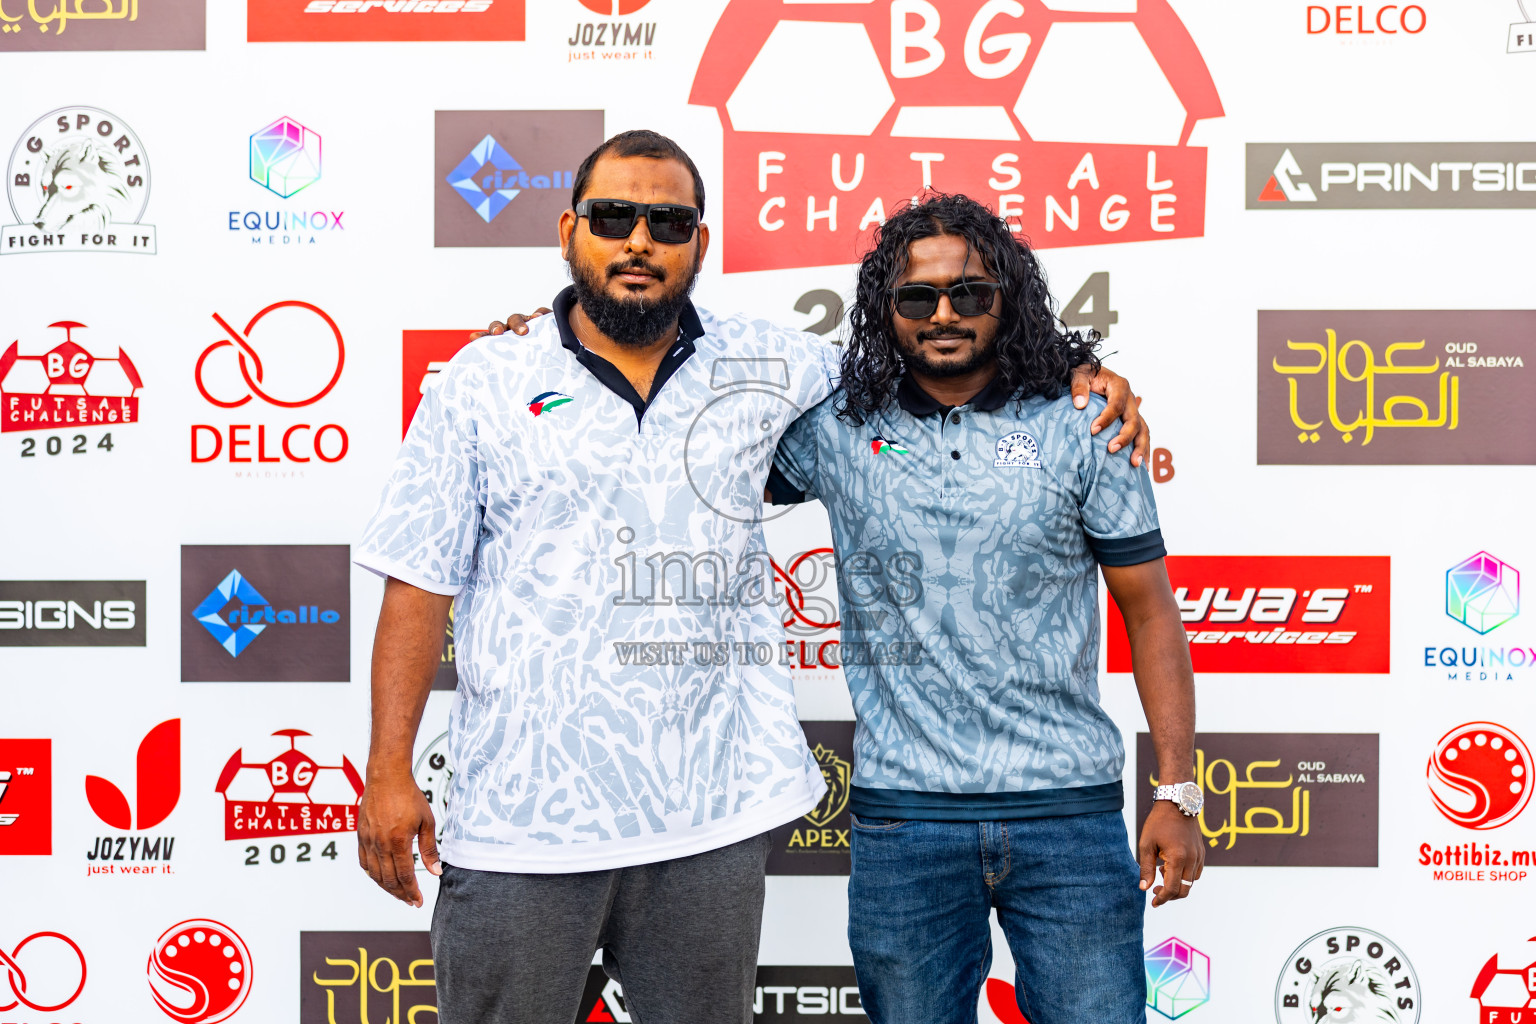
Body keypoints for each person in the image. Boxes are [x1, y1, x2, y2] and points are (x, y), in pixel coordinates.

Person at [357, 130, 1145, 1024]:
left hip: (711, 818)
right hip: (523, 820)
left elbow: (935, 359)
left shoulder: (778, 365)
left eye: (667, 221)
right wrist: (389, 764)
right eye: (615, 218)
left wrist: (1076, 372)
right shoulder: (480, 381)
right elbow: (418, 582)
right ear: (571, 231)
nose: (639, 241)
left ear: (701, 241)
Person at [765, 193, 1203, 1024]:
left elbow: (1151, 616)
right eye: (917, 296)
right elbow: (682, 443)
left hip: (1068, 816)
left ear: (1009, 300)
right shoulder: (838, 428)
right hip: (906, 826)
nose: (944, 314)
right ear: (884, 311)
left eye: (970, 293)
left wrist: (1176, 791)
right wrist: (554, 346)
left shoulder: (1087, 421)